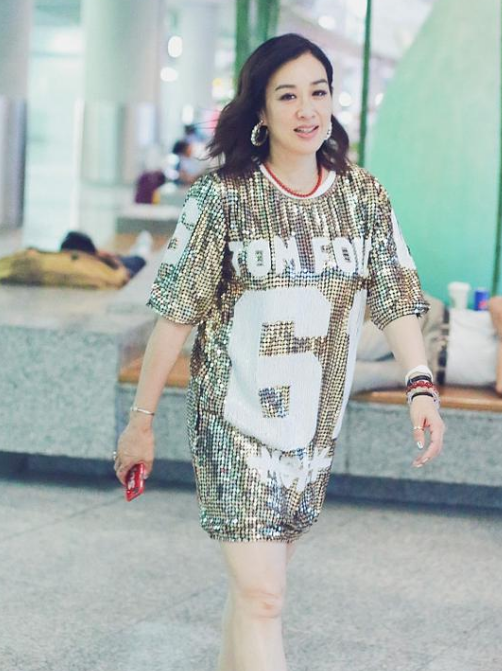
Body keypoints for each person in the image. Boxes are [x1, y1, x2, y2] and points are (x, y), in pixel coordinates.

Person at [113, 34, 445, 671]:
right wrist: (141, 421)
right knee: (264, 597)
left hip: (311, 433)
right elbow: (175, 318)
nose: (306, 109)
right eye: (287, 96)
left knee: (253, 600)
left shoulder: (362, 197)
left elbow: (396, 297)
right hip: (233, 423)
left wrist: (420, 385)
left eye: (318, 92)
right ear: (260, 110)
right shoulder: (223, 198)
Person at [353, 292, 502, 395]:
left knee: (354, 377)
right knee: (358, 348)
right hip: (431, 321)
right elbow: (496, 304)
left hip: (429, 369)